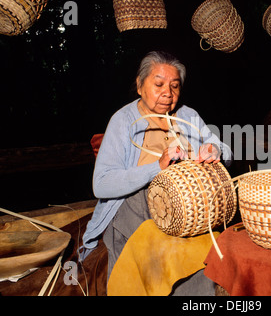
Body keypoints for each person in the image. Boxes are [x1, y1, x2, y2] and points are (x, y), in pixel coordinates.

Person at [80, 51, 232, 293]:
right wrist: (157, 167)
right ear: (140, 86)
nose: (167, 93)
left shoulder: (188, 115)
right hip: (137, 204)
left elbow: (223, 149)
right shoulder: (123, 120)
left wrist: (215, 150)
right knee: (168, 249)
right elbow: (101, 184)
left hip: (192, 207)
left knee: (208, 249)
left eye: (174, 86)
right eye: (158, 84)